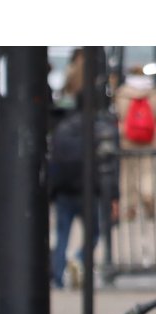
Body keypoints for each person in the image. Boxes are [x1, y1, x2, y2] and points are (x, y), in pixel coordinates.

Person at [49, 94, 120, 287]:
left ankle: (58, 276)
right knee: (95, 234)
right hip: (89, 190)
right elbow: (108, 166)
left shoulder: (62, 129)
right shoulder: (99, 129)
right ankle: (79, 258)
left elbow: (54, 162)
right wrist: (114, 195)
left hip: (64, 191)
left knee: (62, 234)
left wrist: (52, 191)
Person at [116, 66, 156, 224]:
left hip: (127, 141)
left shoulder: (123, 93)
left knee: (128, 176)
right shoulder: (152, 93)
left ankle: (130, 207)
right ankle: (148, 196)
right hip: (150, 141)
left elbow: (120, 116)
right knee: (147, 173)